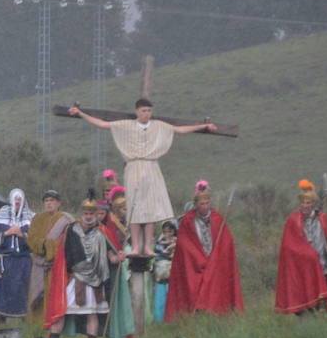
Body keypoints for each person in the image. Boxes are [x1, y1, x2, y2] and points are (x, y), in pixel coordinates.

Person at [68, 99, 219, 257]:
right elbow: (103, 124)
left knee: (150, 208)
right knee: (134, 206)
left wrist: (204, 126)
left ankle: (147, 246)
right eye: (143, 110)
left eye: (149, 111)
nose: (147, 114)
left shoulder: (158, 126)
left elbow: (180, 130)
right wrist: (80, 113)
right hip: (133, 167)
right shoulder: (126, 125)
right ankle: (135, 246)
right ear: (137, 111)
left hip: (152, 167)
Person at [44, 191, 121, 338]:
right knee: (62, 310)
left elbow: (111, 257)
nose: (88, 216)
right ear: (82, 214)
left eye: (91, 213)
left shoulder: (102, 232)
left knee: (92, 314)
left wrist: (118, 257)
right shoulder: (72, 229)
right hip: (75, 278)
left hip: (95, 281)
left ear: (96, 215)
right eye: (85, 213)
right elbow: (66, 254)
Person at [165, 181, 243, 320]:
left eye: (207, 203)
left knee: (214, 287)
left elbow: (226, 242)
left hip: (215, 262)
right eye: (202, 204)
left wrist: (217, 256)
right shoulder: (188, 221)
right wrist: (199, 259)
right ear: (195, 205)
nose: (205, 206)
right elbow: (184, 244)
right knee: (195, 287)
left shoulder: (218, 218)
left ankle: (216, 313)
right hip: (195, 264)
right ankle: (195, 314)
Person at [275, 179, 327, 316]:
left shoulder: (322, 218)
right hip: (302, 264)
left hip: (322, 261)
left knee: (321, 291)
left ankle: (319, 315)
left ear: (314, 204)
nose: (305, 206)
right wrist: (306, 254)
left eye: (308, 203)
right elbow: (289, 244)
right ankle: (306, 316)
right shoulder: (293, 219)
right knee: (303, 288)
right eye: (302, 203)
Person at [27, 190, 73, 321]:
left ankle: (54, 322)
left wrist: (50, 246)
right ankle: (37, 325)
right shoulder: (37, 219)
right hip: (39, 265)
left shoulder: (66, 220)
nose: (49, 203)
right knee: (37, 298)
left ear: (59, 203)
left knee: (55, 295)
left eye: (52, 200)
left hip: (57, 265)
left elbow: (69, 241)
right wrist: (44, 245)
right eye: (46, 201)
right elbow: (31, 239)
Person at [0, 189, 33, 323]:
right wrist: (7, 233)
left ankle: (24, 319)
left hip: (23, 261)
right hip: (7, 260)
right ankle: (1, 318)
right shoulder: (1, 217)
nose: (18, 202)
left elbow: (36, 242)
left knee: (22, 289)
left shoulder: (31, 218)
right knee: (4, 289)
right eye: (15, 199)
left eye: (20, 199)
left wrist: (22, 235)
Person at [100, 186, 137, 338]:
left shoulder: (120, 224)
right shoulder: (109, 224)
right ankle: (109, 333)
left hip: (117, 265)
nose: (125, 211)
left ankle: (122, 332)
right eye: (123, 208)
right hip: (105, 267)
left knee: (120, 299)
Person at [151, 221, 178, 322]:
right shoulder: (159, 242)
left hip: (172, 273)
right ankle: (159, 319)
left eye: (169, 231)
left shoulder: (176, 242)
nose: (167, 234)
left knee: (171, 297)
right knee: (160, 298)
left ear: (173, 231)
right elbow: (157, 253)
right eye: (165, 231)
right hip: (161, 274)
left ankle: (171, 318)